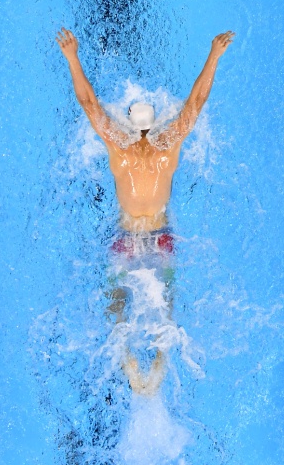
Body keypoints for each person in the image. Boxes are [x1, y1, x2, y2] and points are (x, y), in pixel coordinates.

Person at [57, 28, 234, 393]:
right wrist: (214, 55)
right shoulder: (168, 147)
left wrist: (72, 57)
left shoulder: (118, 147)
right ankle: (159, 365)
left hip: (125, 240)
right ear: (153, 127)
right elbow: (195, 103)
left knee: (116, 304)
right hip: (161, 239)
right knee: (166, 303)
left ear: (129, 124)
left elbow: (89, 104)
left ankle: (129, 363)